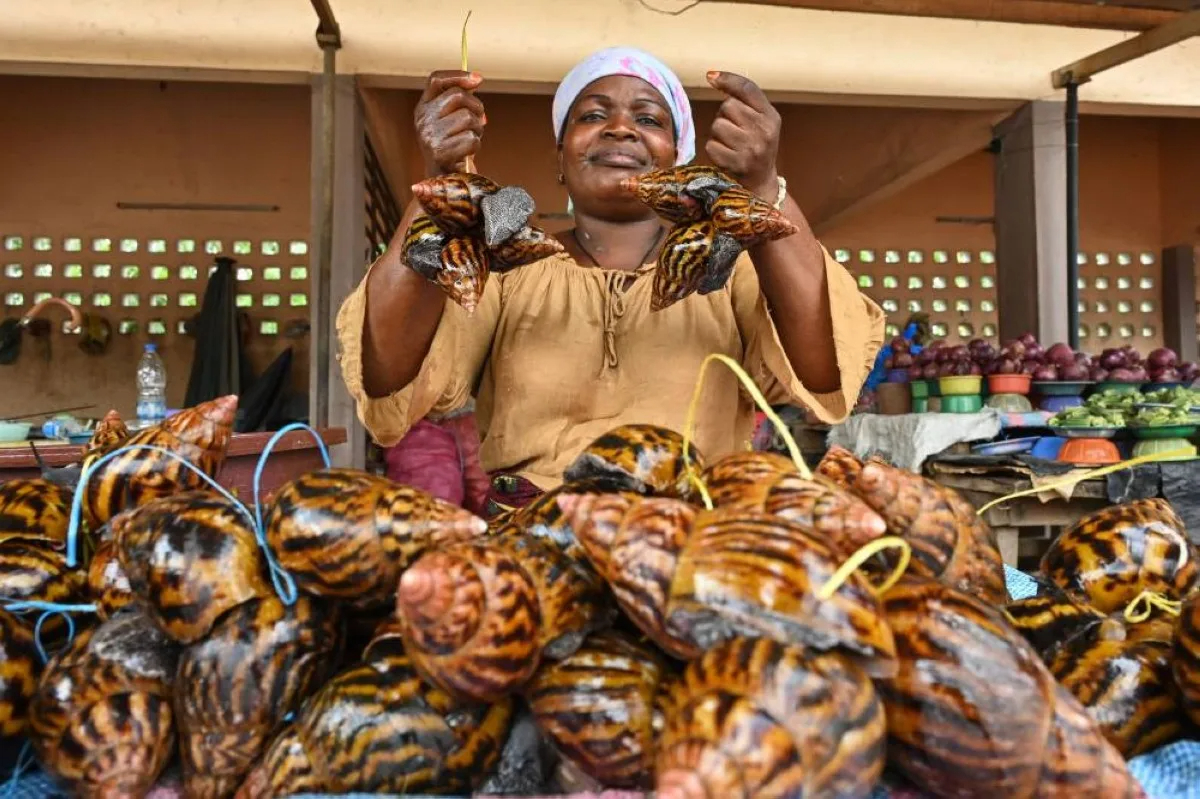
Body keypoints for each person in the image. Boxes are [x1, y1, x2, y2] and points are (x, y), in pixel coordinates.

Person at [337, 46, 884, 510]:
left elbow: (822, 372)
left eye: (649, 119)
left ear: (679, 159)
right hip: (534, 546)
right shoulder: (505, 265)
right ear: (560, 155)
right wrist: (442, 185)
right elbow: (390, 378)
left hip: (690, 547)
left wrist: (761, 190)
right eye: (593, 115)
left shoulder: (726, 263)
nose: (620, 128)